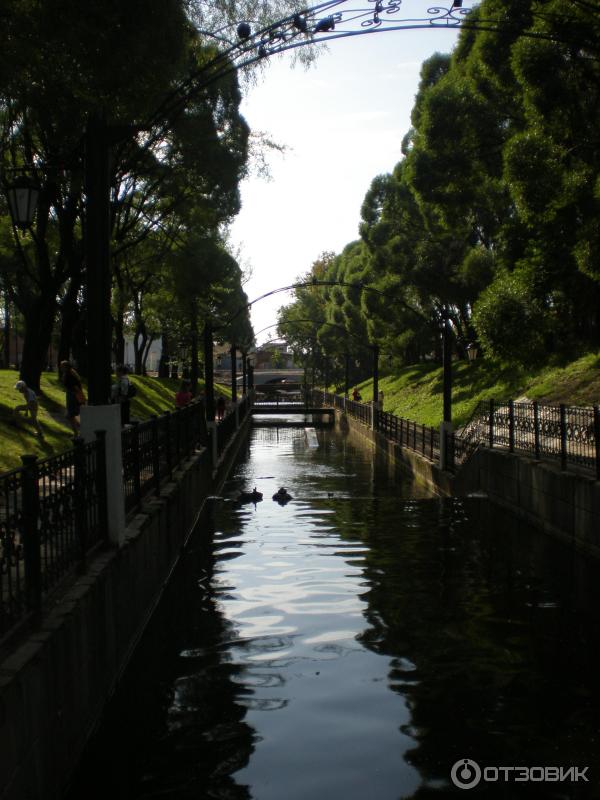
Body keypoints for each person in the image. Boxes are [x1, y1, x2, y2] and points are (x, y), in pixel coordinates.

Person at [59, 360, 84, 434]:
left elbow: (75, 386)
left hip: (72, 396)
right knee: (71, 415)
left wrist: (77, 395)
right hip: (72, 395)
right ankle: (77, 432)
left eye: (62, 366)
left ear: (66, 367)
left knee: (70, 415)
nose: (61, 368)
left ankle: (77, 432)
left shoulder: (69, 375)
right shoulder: (70, 373)